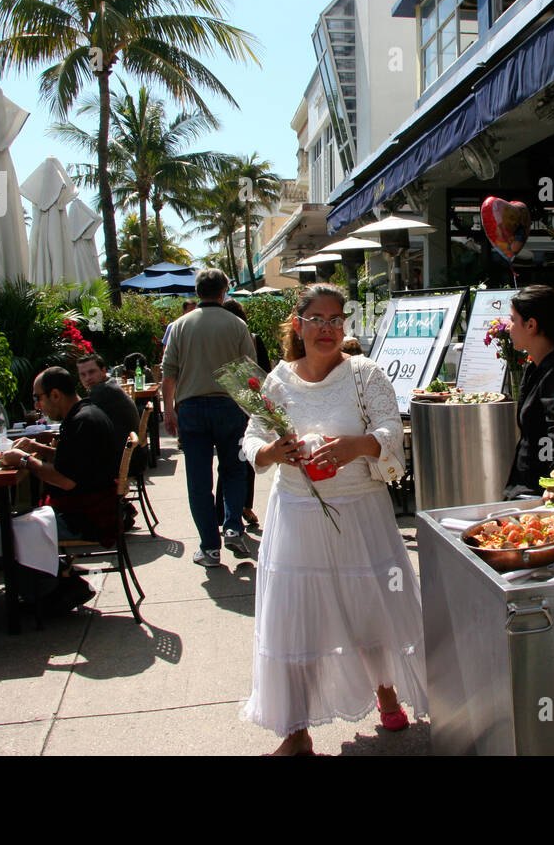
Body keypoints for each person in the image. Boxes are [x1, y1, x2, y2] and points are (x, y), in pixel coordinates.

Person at [240, 283, 427, 755]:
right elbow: (252, 438)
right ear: (297, 324)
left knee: (369, 607)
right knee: (295, 621)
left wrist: (355, 447)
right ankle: (296, 732)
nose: (327, 328)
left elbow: (390, 429)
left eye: (336, 319)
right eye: (317, 319)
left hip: (360, 511)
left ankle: (387, 694)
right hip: (298, 515)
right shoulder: (276, 381)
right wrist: (269, 451)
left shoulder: (364, 373)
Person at [0, 366, 118, 611]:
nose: (37, 405)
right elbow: (75, 461)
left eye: (37, 398)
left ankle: (49, 594)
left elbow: (66, 479)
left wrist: (24, 461)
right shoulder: (86, 413)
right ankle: (57, 583)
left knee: (6, 531)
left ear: (54, 395)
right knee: (17, 522)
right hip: (93, 509)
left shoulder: (82, 422)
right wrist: (38, 448)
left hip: (86, 519)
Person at [161, 269, 257, 567]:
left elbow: (168, 373)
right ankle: (232, 527)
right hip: (230, 407)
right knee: (234, 471)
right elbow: (250, 374)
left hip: (191, 409)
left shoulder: (179, 326)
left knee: (199, 481)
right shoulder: (237, 325)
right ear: (224, 291)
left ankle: (209, 547)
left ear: (197, 291)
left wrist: (168, 409)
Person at [504, 285, 554, 500]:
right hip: (526, 485)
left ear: (531, 325)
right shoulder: (536, 366)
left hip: (542, 493)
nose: (508, 327)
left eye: (512, 319)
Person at [215, 298, 271, 531]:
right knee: (244, 459)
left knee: (226, 463)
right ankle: (243, 507)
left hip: (222, 403)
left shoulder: (217, 340)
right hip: (247, 405)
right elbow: (265, 373)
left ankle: (224, 510)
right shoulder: (253, 338)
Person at [76, 353, 140, 469]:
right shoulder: (110, 384)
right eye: (83, 375)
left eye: (92, 372)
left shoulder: (102, 391)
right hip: (131, 456)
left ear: (103, 370)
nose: (87, 378)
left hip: (120, 462)